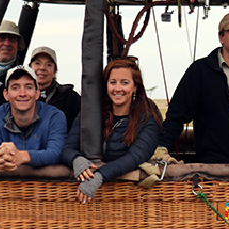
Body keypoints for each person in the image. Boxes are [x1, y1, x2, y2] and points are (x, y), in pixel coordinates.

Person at [157, 12, 229, 163]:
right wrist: (162, 146)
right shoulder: (199, 71)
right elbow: (177, 114)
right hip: (211, 166)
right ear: (221, 38)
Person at [61, 58, 163, 203]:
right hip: (87, 197)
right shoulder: (90, 115)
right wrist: (76, 160)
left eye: (125, 83)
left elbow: (135, 157)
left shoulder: (147, 120)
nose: (118, 89)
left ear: (135, 87)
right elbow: (68, 148)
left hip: (131, 198)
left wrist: (100, 176)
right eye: (113, 82)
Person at [0, 65, 67, 171]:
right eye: (15, 88)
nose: (22, 93)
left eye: (28, 87)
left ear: (37, 93)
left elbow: (56, 153)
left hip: (44, 185)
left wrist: (23, 156)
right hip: (5, 185)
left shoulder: (55, 116)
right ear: (6, 95)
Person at [28, 45, 81, 129]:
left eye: (48, 65)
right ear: (29, 68)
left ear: (55, 71)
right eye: (37, 63)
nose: (42, 68)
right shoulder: (19, 96)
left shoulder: (71, 98)